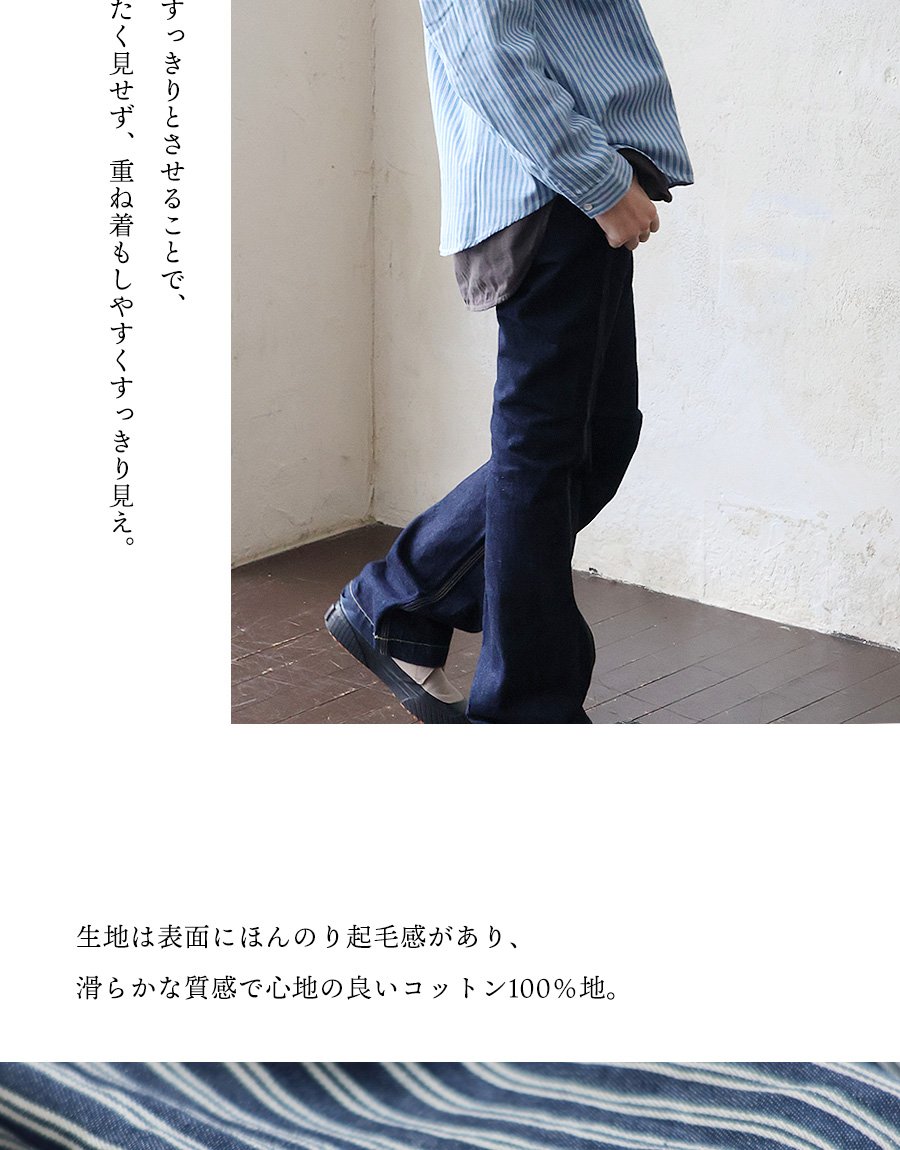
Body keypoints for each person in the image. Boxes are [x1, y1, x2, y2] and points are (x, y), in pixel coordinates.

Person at [326, 0, 694, 724]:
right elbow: (484, 45)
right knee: (545, 453)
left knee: (593, 440)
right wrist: (598, 181)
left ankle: (397, 603)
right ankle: (527, 712)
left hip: (569, 183)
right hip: (552, 188)